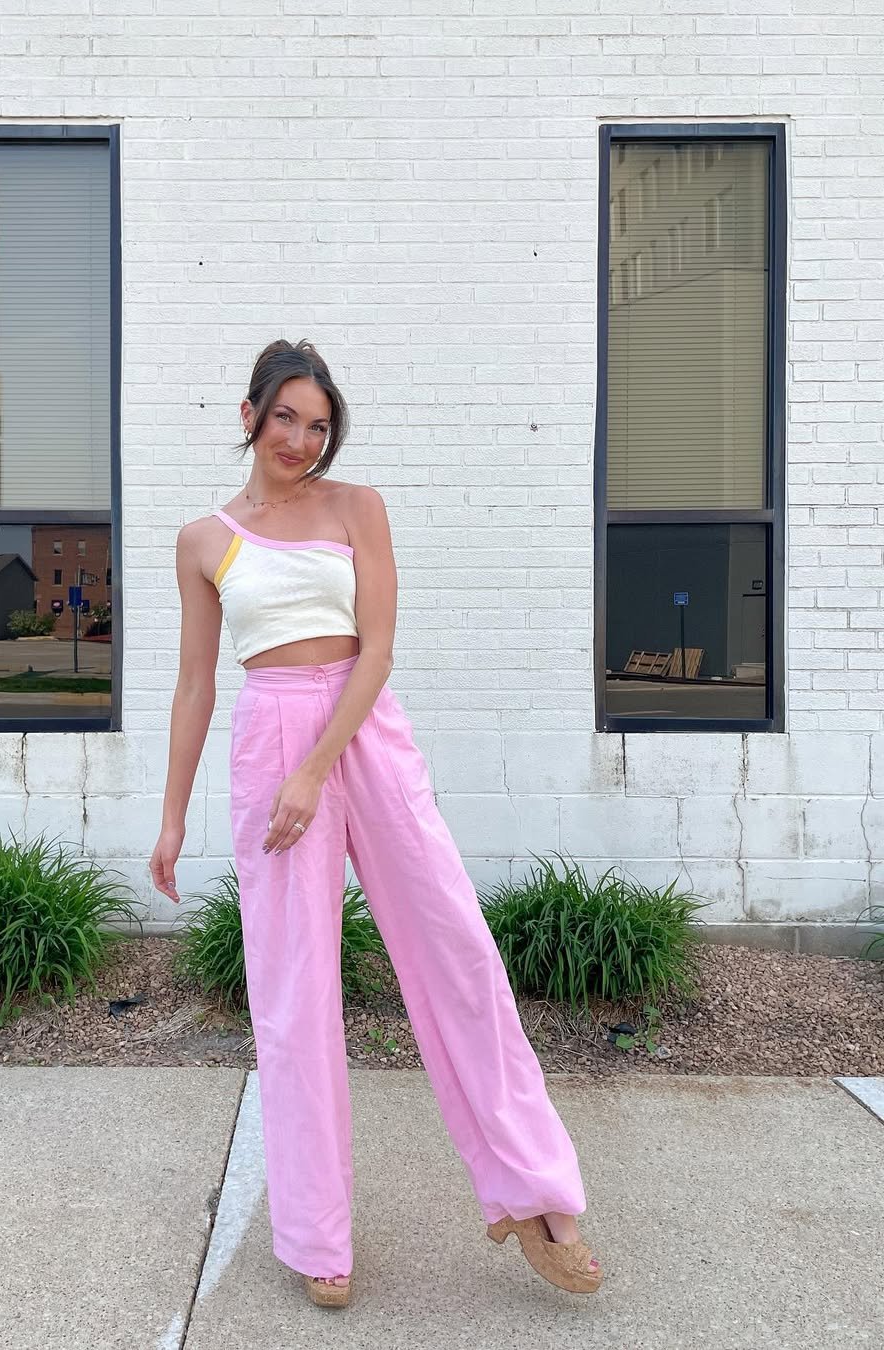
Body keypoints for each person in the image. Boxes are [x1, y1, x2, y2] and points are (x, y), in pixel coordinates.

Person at [150, 339, 602, 1308]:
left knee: (456, 949)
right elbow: (193, 686)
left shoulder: (358, 508)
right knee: (294, 993)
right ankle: (318, 1236)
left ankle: (536, 1195)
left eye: (318, 425)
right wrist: (172, 818)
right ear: (249, 415)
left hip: (361, 735)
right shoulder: (201, 541)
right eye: (285, 418)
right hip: (266, 742)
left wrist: (317, 769)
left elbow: (379, 648)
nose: (300, 440)